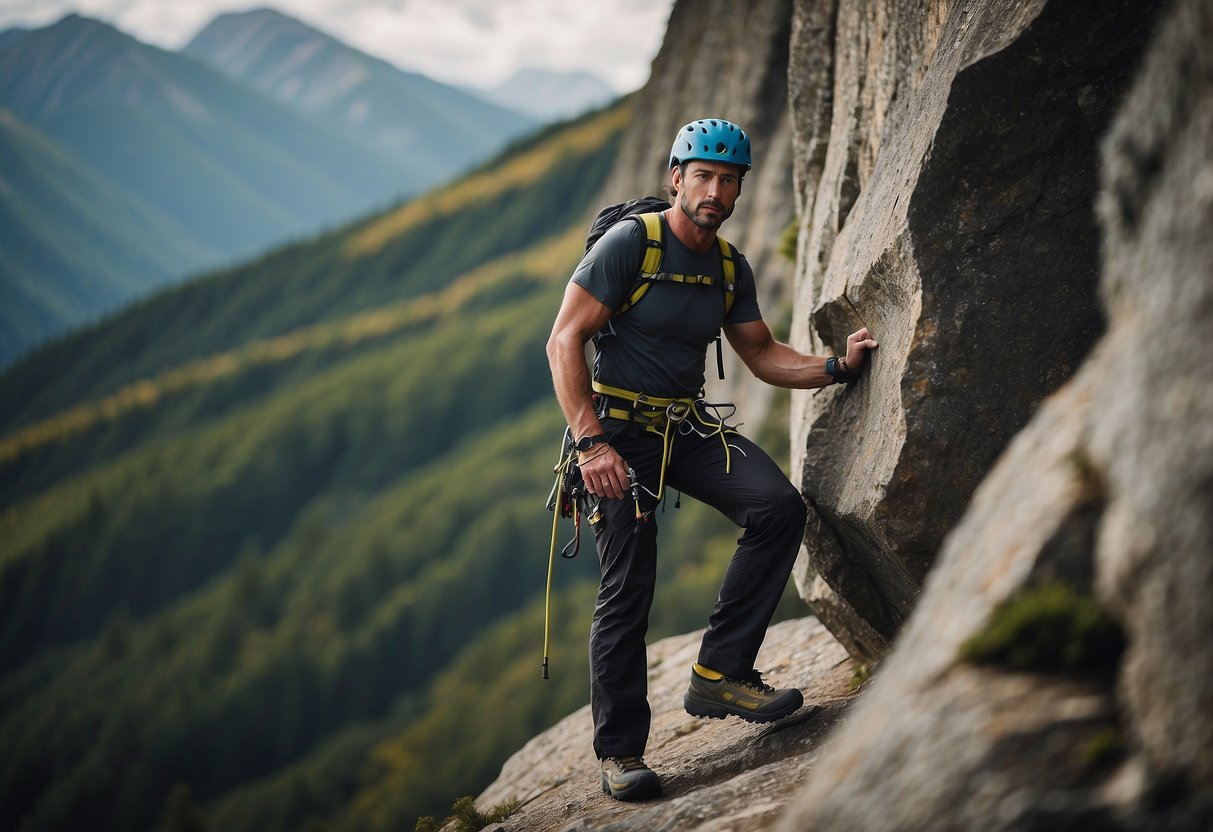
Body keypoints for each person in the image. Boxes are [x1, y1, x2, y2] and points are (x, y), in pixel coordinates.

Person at [546, 118, 878, 801]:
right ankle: (620, 755)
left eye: (728, 180)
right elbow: (563, 340)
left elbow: (761, 355)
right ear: (676, 178)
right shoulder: (628, 245)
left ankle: (720, 674)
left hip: (684, 426)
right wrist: (589, 442)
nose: (715, 190)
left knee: (776, 506)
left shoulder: (727, 267)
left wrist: (834, 367)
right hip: (614, 433)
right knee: (628, 585)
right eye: (703, 175)